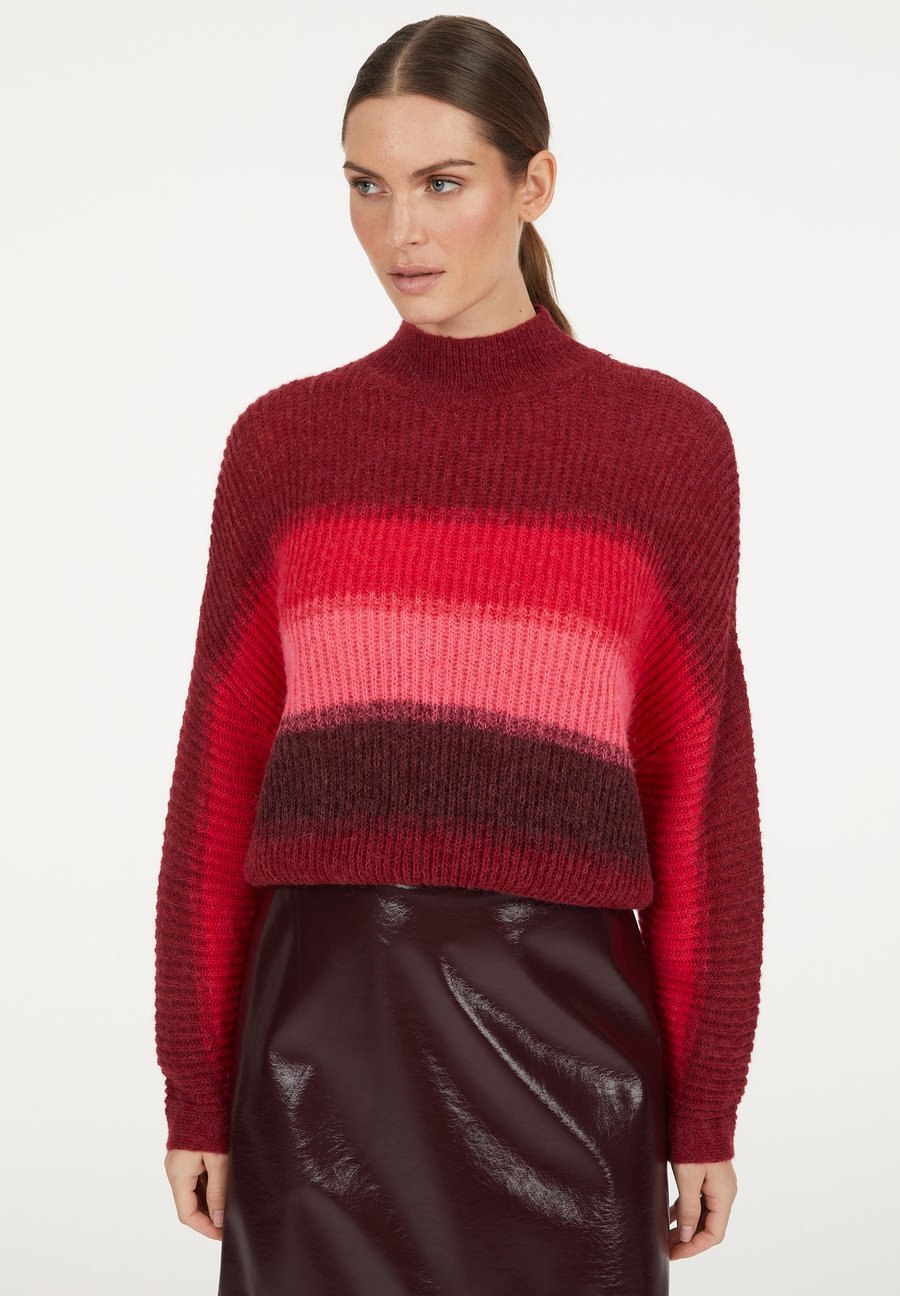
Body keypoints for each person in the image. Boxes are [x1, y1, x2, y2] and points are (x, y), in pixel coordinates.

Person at [154, 15, 765, 1295]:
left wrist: (707, 1101)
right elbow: (216, 785)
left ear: (534, 184)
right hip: (319, 1055)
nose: (400, 232)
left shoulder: (664, 445)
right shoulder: (285, 446)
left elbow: (702, 798)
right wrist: (196, 1085)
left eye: (443, 183)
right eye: (366, 186)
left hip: (566, 1050)